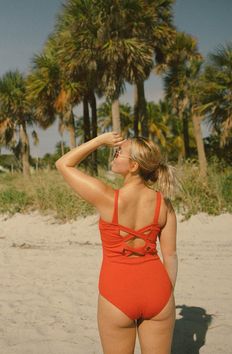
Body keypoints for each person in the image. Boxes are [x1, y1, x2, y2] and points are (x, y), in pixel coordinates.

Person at [55, 131, 178, 354]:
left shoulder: (106, 198)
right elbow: (170, 255)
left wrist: (99, 141)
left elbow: (64, 164)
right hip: (158, 291)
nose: (114, 154)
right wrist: (165, 293)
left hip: (117, 292)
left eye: (119, 152)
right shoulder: (164, 204)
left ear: (133, 166)